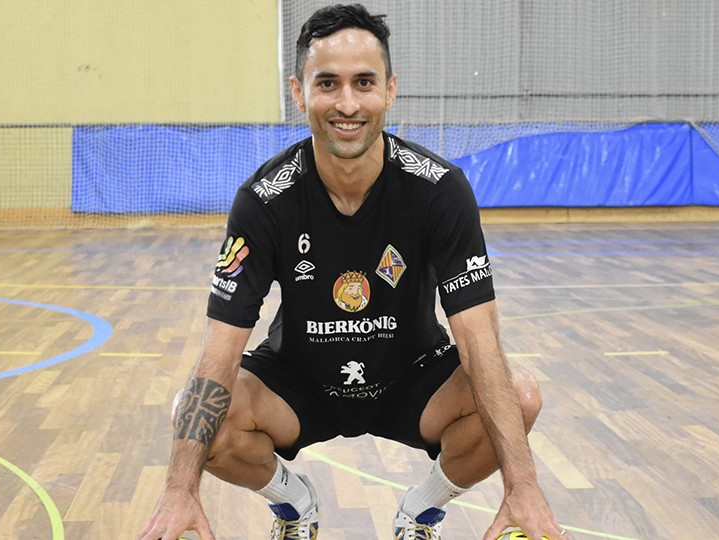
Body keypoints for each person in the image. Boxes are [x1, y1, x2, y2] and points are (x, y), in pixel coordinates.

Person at [136, 4, 566, 539]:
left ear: (389, 90)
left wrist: (521, 484)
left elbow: (480, 344)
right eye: (328, 83)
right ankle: (295, 505)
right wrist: (180, 490)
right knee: (194, 415)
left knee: (520, 397)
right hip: (298, 384)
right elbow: (219, 352)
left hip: (412, 376)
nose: (347, 104)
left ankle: (421, 512)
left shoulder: (439, 191)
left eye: (364, 83)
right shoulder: (264, 201)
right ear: (299, 93)